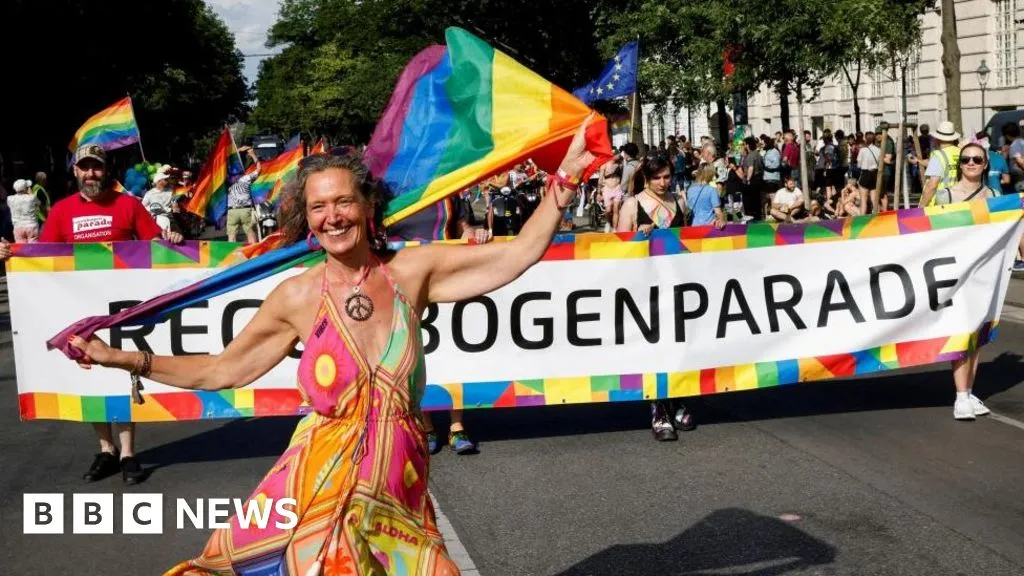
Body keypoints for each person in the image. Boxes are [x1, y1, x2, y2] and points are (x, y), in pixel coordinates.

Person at [60, 119, 599, 574]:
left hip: (398, 479)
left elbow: (519, 254)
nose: (332, 216)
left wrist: (569, 173)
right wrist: (119, 357)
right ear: (307, 217)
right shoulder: (296, 294)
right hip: (317, 475)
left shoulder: (411, 272)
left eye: (344, 201)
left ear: (368, 206)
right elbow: (222, 371)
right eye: (319, 207)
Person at [0, 144, 183, 485]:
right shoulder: (62, 211)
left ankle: (128, 453)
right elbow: (44, 255)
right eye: (84, 168)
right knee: (91, 378)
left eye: (96, 167)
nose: (91, 174)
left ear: (106, 169)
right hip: (80, 311)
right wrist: (13, 252)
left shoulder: (129, 205)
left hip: (123, 312)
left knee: (123, 372)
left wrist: (171, 237)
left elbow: (157, 247)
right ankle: (106, 449)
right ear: (75, 172)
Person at [387, 187, 492, 456]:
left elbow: (463, 228)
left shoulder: (449, 189)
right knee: (415, 353)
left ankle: (457, 428)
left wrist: (474, 234)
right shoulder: (387, 194)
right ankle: (426, 426)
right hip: (407, 283)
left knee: (452, 351)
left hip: (446, 280)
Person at [617, 156, 696, 441]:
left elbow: (689, 236)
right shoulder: (631, 204)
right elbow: (617, 244)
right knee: (654, 344)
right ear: (647, 179)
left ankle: (677, 396)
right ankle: (658, 406)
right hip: (646, 284)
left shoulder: (679, 201)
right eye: (658, 178)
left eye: (667, 177)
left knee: (678, 342)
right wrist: (638, 235)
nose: (663, 183)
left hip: (676, 281)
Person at [930, 142, 997, 420]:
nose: (971, 163)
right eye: (967, 159)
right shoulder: (946, 196)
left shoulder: (992, 195)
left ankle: (968, 392)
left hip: (982, 271)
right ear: (960, 164)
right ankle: (960, 397)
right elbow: (930, 233)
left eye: (977, 160)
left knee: (977, 335)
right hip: (953, 274)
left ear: (985, 165)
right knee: (961, 331)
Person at [918, 121, 962, 208]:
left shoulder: (938, 155)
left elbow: (932, 185)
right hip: (957, 200)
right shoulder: (960, 152)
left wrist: (921, 206)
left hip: (938, 203)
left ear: (937, 139)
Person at [226, 147, 261, 243]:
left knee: (231, 237)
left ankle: (232, 255)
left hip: (232, 211)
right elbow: (259, 169)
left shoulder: (227, 180)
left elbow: (225, 162)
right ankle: (254, 255)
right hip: (246, 210)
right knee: (250, 234)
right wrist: (253, 154)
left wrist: (236, 151)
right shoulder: (247, 178)